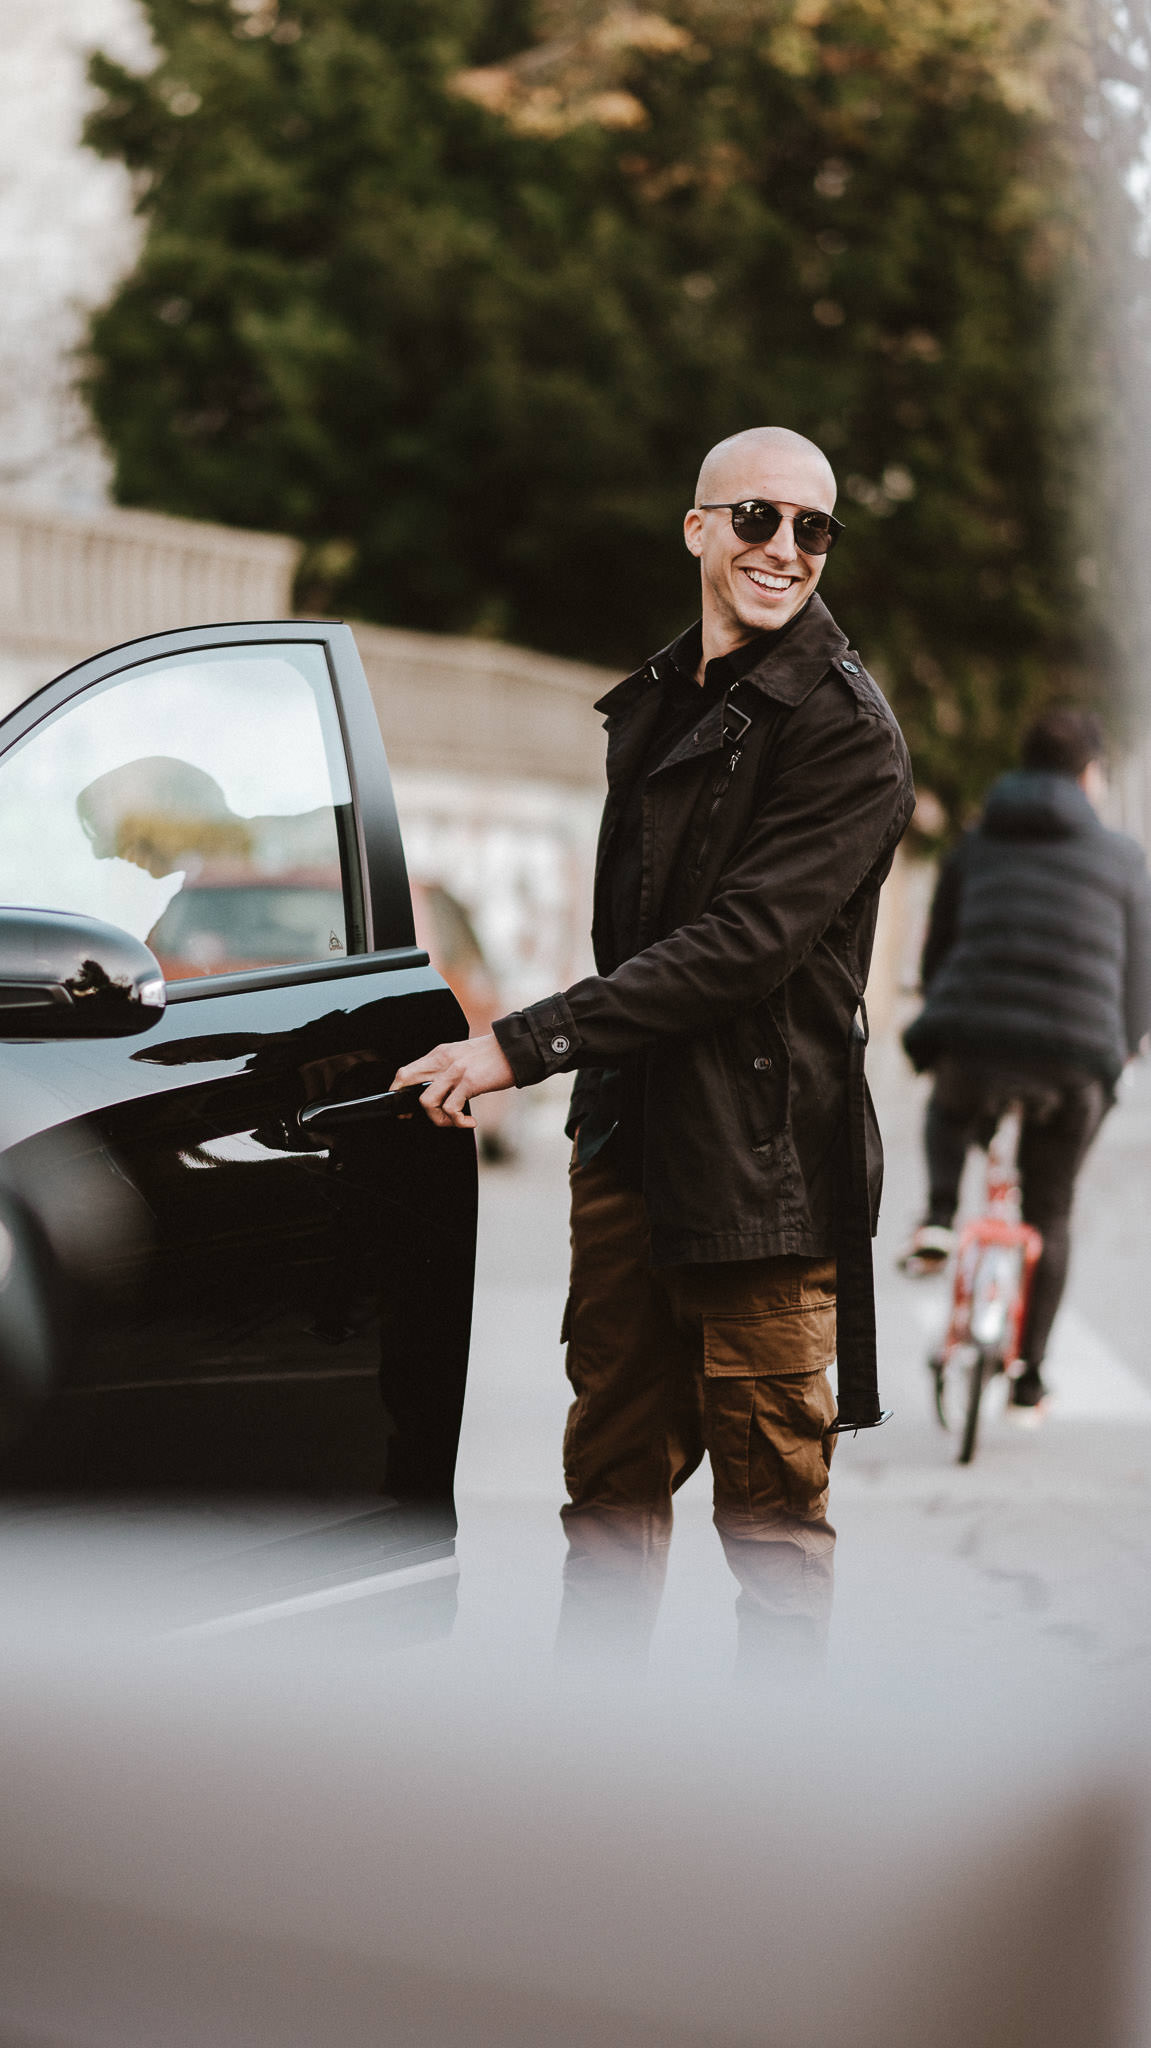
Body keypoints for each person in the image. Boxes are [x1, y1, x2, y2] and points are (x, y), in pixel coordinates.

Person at [394, 426, 914, 1667]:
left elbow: (739, 947)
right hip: (629, 1154)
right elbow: (632, 935)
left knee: (771, 1529)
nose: (783, 548)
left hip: (759, 1180)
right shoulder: (656, 702)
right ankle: (592, 1757)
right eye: (755, 518)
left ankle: (762, 1777)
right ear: (696, 528)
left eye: (811, 528)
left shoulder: (846, 733)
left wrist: (524, 1043)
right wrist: (585, 1097)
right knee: (606, 1502)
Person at [900, 708, 1151, 1411]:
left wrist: (942, 1013)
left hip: (974, 1040)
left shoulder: (973, 844)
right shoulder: (1124, 858)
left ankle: (939, 1215)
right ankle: (1028, 1377)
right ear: (1089, 775)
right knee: (1050, 1209)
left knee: (950, 1107)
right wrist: (1123, 1049)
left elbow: (938, 949)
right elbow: (1139, 976)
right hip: (1075, 1057)